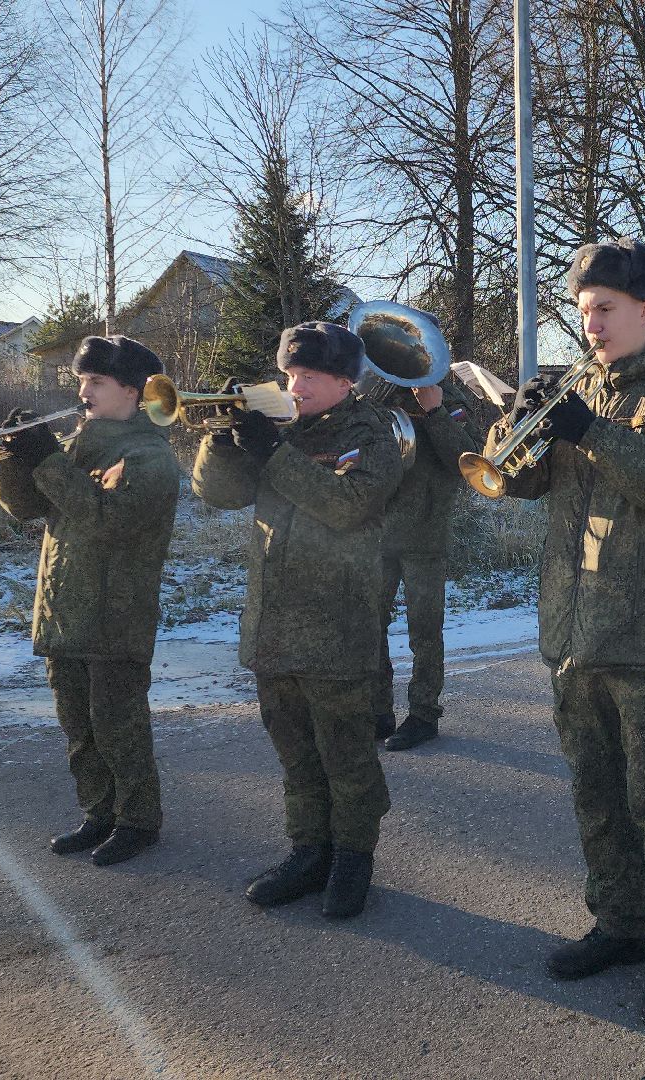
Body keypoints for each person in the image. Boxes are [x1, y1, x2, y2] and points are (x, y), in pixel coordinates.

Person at [482, 238, 645, 1026]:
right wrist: (511, 434)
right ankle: (619, 925)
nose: (591, 323)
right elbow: (518, 484)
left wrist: (593, 431)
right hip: (574, 629)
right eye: (583, 309)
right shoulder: (577, 386)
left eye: (606, 309)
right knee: (594, 793)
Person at [192, 322, 403, 919]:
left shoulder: (372, 431)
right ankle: (308, 849)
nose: (294, 385)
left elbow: (346, 505)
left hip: (338, 626)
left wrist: (274, 451)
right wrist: (226, 440)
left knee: (347, 754)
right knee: (295, 752)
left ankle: (353, 858)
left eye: (308, 376)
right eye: (290, 373)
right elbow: (217, 493)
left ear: (344, 380)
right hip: (274, 623)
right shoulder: (284, 430)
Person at [0, 335, 178, 867]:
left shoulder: (148, 455)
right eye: (80, 381)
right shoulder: (80, 442)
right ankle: (99, 812)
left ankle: (138, 819)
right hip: (63, 605)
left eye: (95, 381)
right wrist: (15, 456)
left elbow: (106, 522)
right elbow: (26, 507)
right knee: (78, 726)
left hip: (115, 612)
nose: (83, 391)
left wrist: (49, 461)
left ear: (134, 392)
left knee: (118, 724)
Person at [358, 319, 482, 751]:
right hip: (376, 528)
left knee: (424, 630)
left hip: (425, 532)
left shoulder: (451, 393)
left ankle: (424, 713)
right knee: (370, 623)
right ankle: (377, 712)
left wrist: (434, 410)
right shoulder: (372, 389)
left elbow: (468, 461)